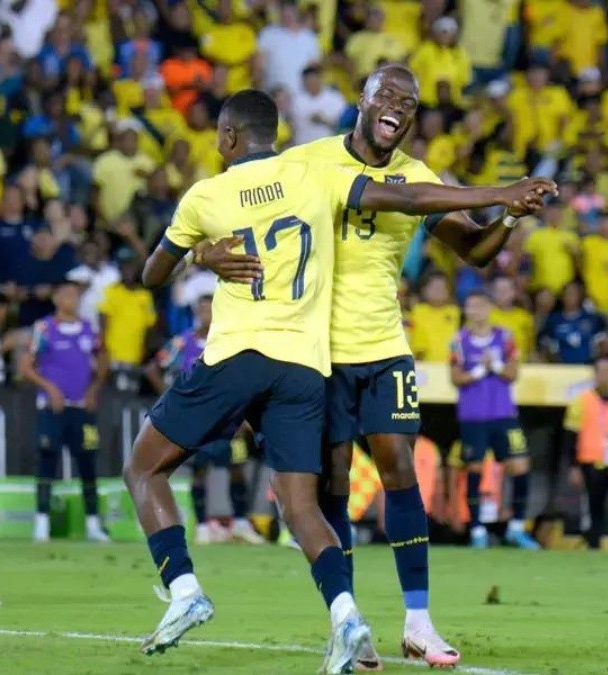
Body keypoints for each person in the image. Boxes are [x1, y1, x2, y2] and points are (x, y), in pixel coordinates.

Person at [130, 89, 550, 673]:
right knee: (317, 497)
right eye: (388, 93)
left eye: (410, 100)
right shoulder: (313, 167)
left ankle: (412, 620)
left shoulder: (229, 190)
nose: (398, 106)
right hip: (313, 358)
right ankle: (349, 622)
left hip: (336, 349)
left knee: (388, 469)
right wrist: (501, 188)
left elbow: (428, 209)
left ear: (227, 136)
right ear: (363, 99)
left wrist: (503, 209)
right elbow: (390, 198)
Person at [144, 295, 263, 545]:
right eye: (201, 309)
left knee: (237, 468)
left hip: (230, 421)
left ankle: (240, 522)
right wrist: (171, 399)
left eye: (210, 308)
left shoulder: (230, 341)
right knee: (200, 471)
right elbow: (153, 368)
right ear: (196, 313)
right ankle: (202, 526)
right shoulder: (182, 342)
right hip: (199, 422)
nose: (206, 313)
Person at [19, 279, 111, 543]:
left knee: (88, 462)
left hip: (82, 408)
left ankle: (93, 524)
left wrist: (94, 388)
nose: (73, 300)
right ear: (57, 299)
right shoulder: (44, 328)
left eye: (76, 295)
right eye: (68, 295)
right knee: (47, 460)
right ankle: (41, 523)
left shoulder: (89, 329)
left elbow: (104, 357)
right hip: (53, 409)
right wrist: (50, 389)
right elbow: (26, 366)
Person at [450, 290, 540, 550]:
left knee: (520, 465)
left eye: (477, 306)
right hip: (473, 416)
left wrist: (497, 365)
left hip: (504, 414)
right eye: (468, 306)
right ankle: (477, 530)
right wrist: (480, 370)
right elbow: (456, 378)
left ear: (489, 307)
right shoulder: (459, 340)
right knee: (475, 468)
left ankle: (516, 527)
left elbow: (513, 374)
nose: (473, 311)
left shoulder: (506, 337)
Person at [563, 357, 608, 549]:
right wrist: (574, 466)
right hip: (593, 461)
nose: (605, 377)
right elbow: (571, 436)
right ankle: (594, 545)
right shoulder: (581, 400)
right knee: (595, 505)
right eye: (601, 372)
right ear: (594, 374)